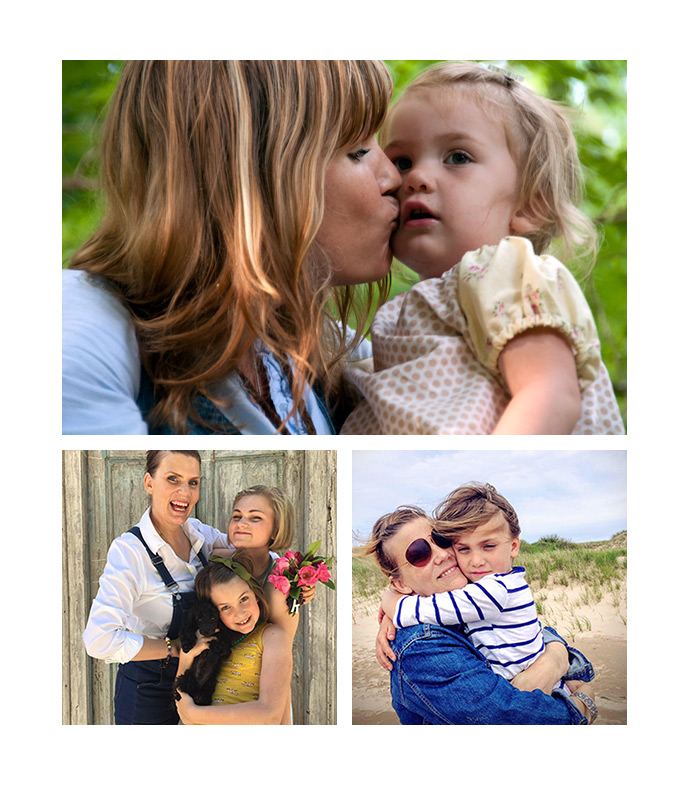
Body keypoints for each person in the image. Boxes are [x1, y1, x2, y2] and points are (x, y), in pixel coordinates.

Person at [63, 60, 400, 435]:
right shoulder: (81, 329)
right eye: (357, 150)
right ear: (247, 178)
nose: (394, 177)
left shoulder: (320, 347)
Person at [341, 61, 625, 435]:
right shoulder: (413, 313)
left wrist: (483, 471)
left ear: (528, 205)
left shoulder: (507, 272)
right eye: (403, 162)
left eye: (457, 157)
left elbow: (548, 395)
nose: (417, 179)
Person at [361, 504, 597, 724]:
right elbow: (510, 717)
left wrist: (555, 654)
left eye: (441, 539)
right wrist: (583, 705)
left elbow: (529, 631)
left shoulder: (473, 600)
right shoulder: (421, 647)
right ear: (400, 584)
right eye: (419, 553)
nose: (442, 554)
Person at [83, 450, 232, 725]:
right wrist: (175, 647)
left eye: (193, 482)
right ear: (149, 483)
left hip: (203, 683)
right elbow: (98, 640)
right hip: (148, 691)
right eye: (173, 479)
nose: (184, 492)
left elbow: (251, 555)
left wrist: (293, 579)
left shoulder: (200, 535)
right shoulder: (129, 551)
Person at [175, 554, 293, 724]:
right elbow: (181, 699)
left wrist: (193, 713)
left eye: (244, 599)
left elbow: (270, 715)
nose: (240, 613)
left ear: (256, 594)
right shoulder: (209, 643)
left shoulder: (272, 637)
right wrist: (186, 658)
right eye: (225, 607)